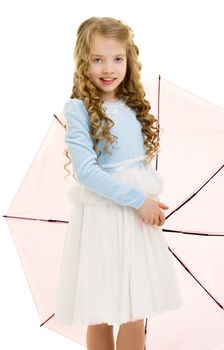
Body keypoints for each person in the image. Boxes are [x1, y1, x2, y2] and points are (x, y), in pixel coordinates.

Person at [54, 16, 183, 350]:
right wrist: (139, 200)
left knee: (136, 311)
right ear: (84, 62)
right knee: (99, 309)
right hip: (103, 218)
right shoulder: (79, 108)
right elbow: (86, 172)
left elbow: (138, 167)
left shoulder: (132, 107)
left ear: (129, 60)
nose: (108, 68)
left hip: (136, 222)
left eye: (117, 59)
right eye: (98, 59)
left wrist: (149, 203)